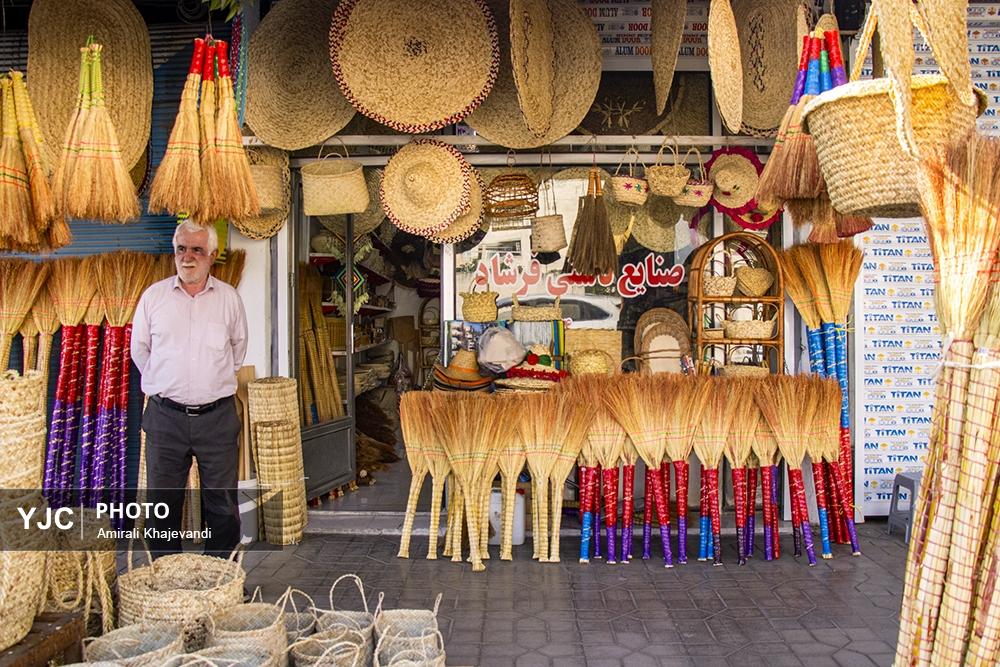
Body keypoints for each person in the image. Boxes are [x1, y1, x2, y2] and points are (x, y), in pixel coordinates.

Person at [132, 220, 248, 557]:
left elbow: (237, 350)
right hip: (165, 417)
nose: (187, 257)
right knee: (163, 504)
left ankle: (221, 574)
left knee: (222, 504)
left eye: (197, 250)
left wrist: (210, 383)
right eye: (181, 249)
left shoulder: (229, 299)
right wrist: (164, 382)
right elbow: (140, 350)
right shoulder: (153, 298)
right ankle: (166, 576)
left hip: (217, 418)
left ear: (212, 254)